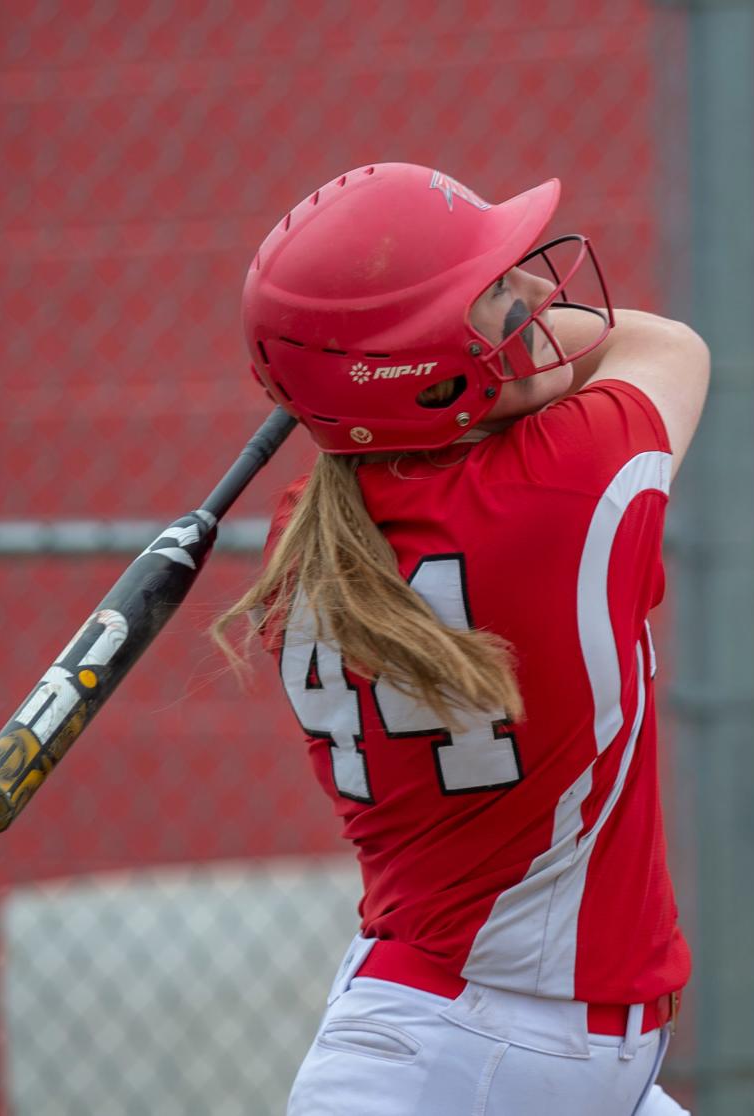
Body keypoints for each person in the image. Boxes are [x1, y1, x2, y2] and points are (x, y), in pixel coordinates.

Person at [215, 163, 709, 1115]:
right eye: (497, 294)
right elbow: (659, 342)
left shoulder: (305, 530)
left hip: (467, 1042)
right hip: (468, 1057)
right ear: (420, 372)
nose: (536, 295)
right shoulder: (562, 484)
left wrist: (388, 353)